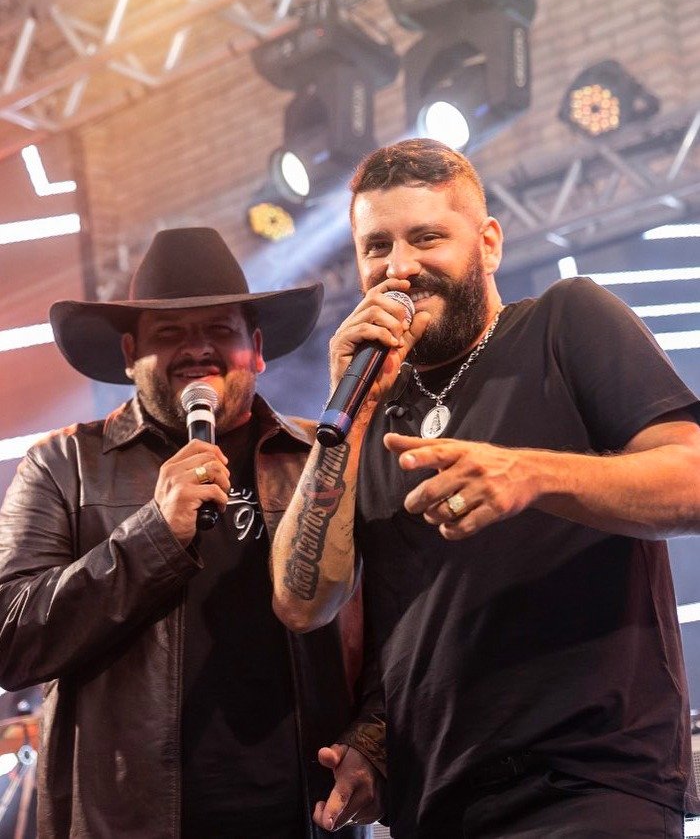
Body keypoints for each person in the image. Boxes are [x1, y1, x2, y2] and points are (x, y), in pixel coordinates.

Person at [270, 139, 700, 838]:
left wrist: (531, 473)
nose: (399, 267)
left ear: (489, 244)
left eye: (426, 238)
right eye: (377, 246)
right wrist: (344, 409)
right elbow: (302, 601)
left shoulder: (565, 322)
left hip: (587, 785)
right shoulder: (370, 412)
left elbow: (692, 480)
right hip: (436, 807)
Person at [0, 227, 385, 839]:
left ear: (256, 348)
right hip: (125, 824)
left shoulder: (322, 458)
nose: (197, 348)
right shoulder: (63, 466)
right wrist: (154, 534)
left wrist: (373, 738)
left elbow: (396, 621)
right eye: (169, 332)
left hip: (302, 818)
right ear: (130, 354)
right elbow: (11, 638)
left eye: (219, 329)